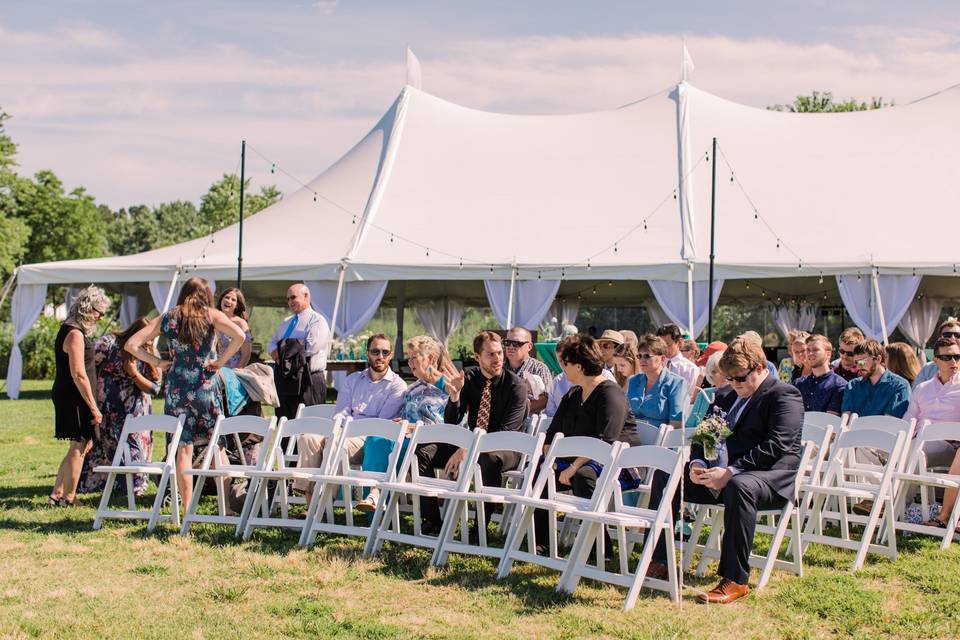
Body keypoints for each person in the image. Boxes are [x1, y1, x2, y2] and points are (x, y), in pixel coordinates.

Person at [647, 337, 804, 604]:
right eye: (729, 378)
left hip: (770, 477)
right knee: (669, 475)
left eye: (740, 379)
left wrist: (731, 471)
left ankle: (735, 579)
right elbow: (703, 436)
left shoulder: (783, 394)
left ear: (758, 368)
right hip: (722, 473)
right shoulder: (723, 394)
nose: (734, 384)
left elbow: (778, 446)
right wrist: (697, 464)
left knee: (739, 486)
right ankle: (659, 558)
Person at [126, 277, 246, 513]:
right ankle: (227, 506)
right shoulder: (211, 315)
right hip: (206, 386)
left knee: (183, 447)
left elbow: (131, 344)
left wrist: (158, 362)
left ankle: (187, 506)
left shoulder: (169, 317)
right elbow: (240, 336)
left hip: (177, 389)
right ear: (206, 295)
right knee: (217, 445)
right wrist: (221, 361)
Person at [418, 331, 527, 534]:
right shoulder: (469, 378)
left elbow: (506, 432)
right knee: (422, 452)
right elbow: (452, 421)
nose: (497, 359)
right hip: (472, 442)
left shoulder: (515, 386)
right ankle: (432, 519)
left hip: (507, 449)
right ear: (477, 357)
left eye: (499, 353)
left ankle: (480, 529)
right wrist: (455, 396)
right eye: (491, 354)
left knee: (488, 458)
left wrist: (468, 447)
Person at [535, 334, 634, 547]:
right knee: (539, 472)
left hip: (614, 463)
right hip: (574, 459)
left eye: (566, 363)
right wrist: (550, 459)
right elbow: (552, 433)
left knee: (583, 476)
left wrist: (572, 467)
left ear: (579, 367)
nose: (563, 368)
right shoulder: (572, 394)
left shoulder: (610, 394)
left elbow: (605, 441)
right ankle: (543, 542)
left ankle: (600, 547)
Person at [293, 333, 408, 507]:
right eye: (376, 352)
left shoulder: (397, 385)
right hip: (343, 431)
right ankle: (308, 501)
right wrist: (338, 430)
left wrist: (341, 432)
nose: (380, 357)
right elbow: (341, 412)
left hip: (369, 440)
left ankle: (323, 505)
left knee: (335, 442)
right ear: (367, 353)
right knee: (308, 438)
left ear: (391, 355)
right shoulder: (353, 380)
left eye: (385, 352)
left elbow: (380, 424)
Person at [78, 317, 161, 494]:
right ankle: (99, 483)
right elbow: (89, 366)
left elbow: (155, 388)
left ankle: (132, 484)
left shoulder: (149, 352)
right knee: (104, 443)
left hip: (135, 410)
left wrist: (134, 374)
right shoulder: (110, 342)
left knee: (132, 444)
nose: (150, 341)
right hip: (106, 406)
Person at [49, 286, 110, 507]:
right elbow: (78, 373)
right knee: (80, 445)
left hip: (72, 394)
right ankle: (69, 497)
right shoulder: (74, 333)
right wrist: (94, 407)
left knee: (79, 445)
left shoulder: (71, 329)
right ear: (86, 307)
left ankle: (57, 495)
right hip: (75, 395)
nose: (100, 317)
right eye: (98, 311)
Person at [904, 337, 960, 528]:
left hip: (950, 447)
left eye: (957, 357)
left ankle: (890, 502)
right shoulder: (922, 388)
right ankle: (889, 502)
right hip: (920, 442)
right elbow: (909, 420)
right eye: (947, 357)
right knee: (904, 449)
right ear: (935, 360)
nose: (954, 362)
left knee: (915, 451)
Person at [268, 283, 330, 420]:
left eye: (293, 297)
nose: (290, 302)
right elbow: (272, 344)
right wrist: (287, 348)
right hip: (285, 379)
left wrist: (283, 350)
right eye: (288, 299)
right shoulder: (286, 322)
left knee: (309, 426)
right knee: (285, 423)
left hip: (308, 379)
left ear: (306, 296)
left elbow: (311, 346)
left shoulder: (317, 320)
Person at [625, 334, 688, 429]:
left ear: (662, 358)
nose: (642, 360)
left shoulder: (676, 383)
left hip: (659, 439)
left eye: (647, 356)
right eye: (639, 356)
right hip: (631, 435)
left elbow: (676, 423)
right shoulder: (633, 380)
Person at [840, 338, 910, 419]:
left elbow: (890, 422)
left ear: (878, 359)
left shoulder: (899, 386)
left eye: (862, 362)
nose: (858, 367)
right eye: (856, 362)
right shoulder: (852, 386)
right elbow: (845, 419)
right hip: (853, 431)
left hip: (882, 430)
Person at [545, 342, 616, 417]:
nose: (564, 364)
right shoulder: (557, 381)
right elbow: (550, 413)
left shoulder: (605, 376)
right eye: (560, 361)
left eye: (567, 360)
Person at [503, 326, 554, 414]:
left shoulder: (540, 368)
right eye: (507, 342)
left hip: (530, 423)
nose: (510, 347)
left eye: (516, 343)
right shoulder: (499, 369)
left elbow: (546, 399)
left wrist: (514, 412)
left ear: (529, 346)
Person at [794, 334, 847, 415]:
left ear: (828, 354)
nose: (810, 353)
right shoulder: (798, 384)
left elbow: (830, 420)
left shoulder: (839, 385)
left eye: (815, 350)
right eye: (808, 350)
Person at [686, 348, 729, 427]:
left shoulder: (738, 395)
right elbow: (689, 425)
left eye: (723, 370)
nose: (719, 375)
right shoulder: (704, 394)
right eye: (714, 372)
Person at [914, 319, 960, 387]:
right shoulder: (928, 369)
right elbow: (916, 393)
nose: (953, 338)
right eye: (947, 335)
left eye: (958, 335)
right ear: (940, 339)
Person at [655, 324, 699, 390]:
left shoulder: (690, 369)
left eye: (668, 344)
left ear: (679, 342)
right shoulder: (654, 365)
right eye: (661, 345)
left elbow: (691, 396)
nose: (664, 349)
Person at [217, 288, 252, 368]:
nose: (229, 301)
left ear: (237, 305)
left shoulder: (241, 323)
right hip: (212, 368)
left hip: (231, 370)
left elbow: (246, 354)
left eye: (233, 300)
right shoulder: (213, 319)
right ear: (221, 299)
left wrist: (235, 374)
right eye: (226, 297)